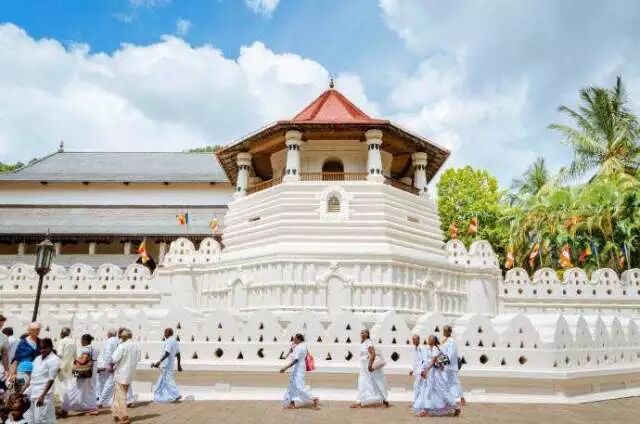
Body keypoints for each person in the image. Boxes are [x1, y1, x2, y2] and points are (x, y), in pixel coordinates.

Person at [413, 335, 460, 417]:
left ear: (433, 341)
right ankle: (426, 410)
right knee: (427, 391)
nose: (428, 340)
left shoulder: (435, 349)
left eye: (430, 339)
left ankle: (456, 407)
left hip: (435, 374)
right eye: (428, 339)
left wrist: (427, 370)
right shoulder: (430, 349)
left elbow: (433, 361)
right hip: (431, 374)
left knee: (441, 391)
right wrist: (423, 370)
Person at [59, 334, 98, 417]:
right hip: (90, 372)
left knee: (73, 388)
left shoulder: (86, 349)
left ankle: (65, 409)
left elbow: (83, 361)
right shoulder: (94, 348)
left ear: (85, 340)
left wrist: (75, 357)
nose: (80, 341)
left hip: (82, 372)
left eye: (81, 340)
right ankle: (93, 408)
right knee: (90, 390)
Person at [24, 337, 60, 424]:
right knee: (30, 419)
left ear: (50, 347)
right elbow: (32, 376)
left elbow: (51, 379)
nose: (42, 350)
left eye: (44, 348)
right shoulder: (37, 359)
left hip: (43, 393)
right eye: (40, 348)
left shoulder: (54, 360)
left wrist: (42, 395)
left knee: (40, 419)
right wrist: (24, 389)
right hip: (32, 391)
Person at [350, 329, 389, 408]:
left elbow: (373, 354)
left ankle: (382, 400)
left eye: (363, 333)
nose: (361, 334)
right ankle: (361, 401)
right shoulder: (363, 343)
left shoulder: (368, 342)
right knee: (365, 383)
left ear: (367, 334)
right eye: (361, 333)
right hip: (364, 367)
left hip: (368, 366)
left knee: (372, 382)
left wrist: (370, 365)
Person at [280, 333, 318, 409]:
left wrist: (285, 368)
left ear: (299, 339)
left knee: (299, 386)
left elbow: (296, 360)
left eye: (295, 338)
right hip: (300, 368)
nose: (293, 339)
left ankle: (314, 399)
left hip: (298, 369)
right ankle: (292, 404)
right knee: (293, 386)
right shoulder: (303, 346)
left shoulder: (299, 347)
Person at [111, 329, 140, 424]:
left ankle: (124, 417)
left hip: (121, 374)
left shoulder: (122, 346)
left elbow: (114, 358)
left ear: (123, 337)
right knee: (118, 395)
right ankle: (116, 414)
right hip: (130, 374)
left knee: (121, 395)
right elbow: (138, 358)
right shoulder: (136, 346)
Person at [151, 328, 182, 403]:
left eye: (165, 332)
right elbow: (178, 354)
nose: (164, 334)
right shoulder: (175, 341)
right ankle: (159, 397)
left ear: (168, 333)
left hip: (166, 364)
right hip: (170, 364)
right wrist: (178, 365)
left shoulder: (168, 341)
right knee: (162, 382)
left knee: (168, 380)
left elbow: (167, 353)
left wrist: (159, 362)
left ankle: (176, 394)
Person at [441, 325, 465, 406]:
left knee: (455, 382)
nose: (444, 332)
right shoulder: (445, 341)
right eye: (443, 330)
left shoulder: (452, 342)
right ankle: (447, 399)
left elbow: (450, 355)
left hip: (451, 366)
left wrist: (442, 361)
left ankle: (462, 398)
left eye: (445, 331)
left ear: (449, 332)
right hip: (445, 366)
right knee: (445, 382)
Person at [96, 329, 118, 408]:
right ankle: (104, 400)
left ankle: (101, 401)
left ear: (109, 334)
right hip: (116, 364)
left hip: (109, 365)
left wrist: (108, 365)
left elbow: (108, 353)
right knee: (109, 383)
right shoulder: (118, 340)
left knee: (105, 383)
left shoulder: (109, 341)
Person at [54, 328, 76, 403]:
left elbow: (60, 354)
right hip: (70, 365)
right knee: (69, 382)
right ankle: (70, 399)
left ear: (62, 333)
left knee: (62, 382)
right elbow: (75, 355)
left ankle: (64, 400)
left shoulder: (61, 341)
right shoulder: (73, 342)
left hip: (62, 365)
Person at [409, 334, 426, 407]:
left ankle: (417, 402)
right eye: (413, 340)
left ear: (418, 340)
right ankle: (418, 402)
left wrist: (423, 370)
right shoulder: (414, 348)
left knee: (417, 386)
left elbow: (424, 359)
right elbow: (414, 360)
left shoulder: (422, 348)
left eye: (414, 339)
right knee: (418, 386)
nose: (413, 341)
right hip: (417, 371)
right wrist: (412, 369)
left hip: (421, 370)